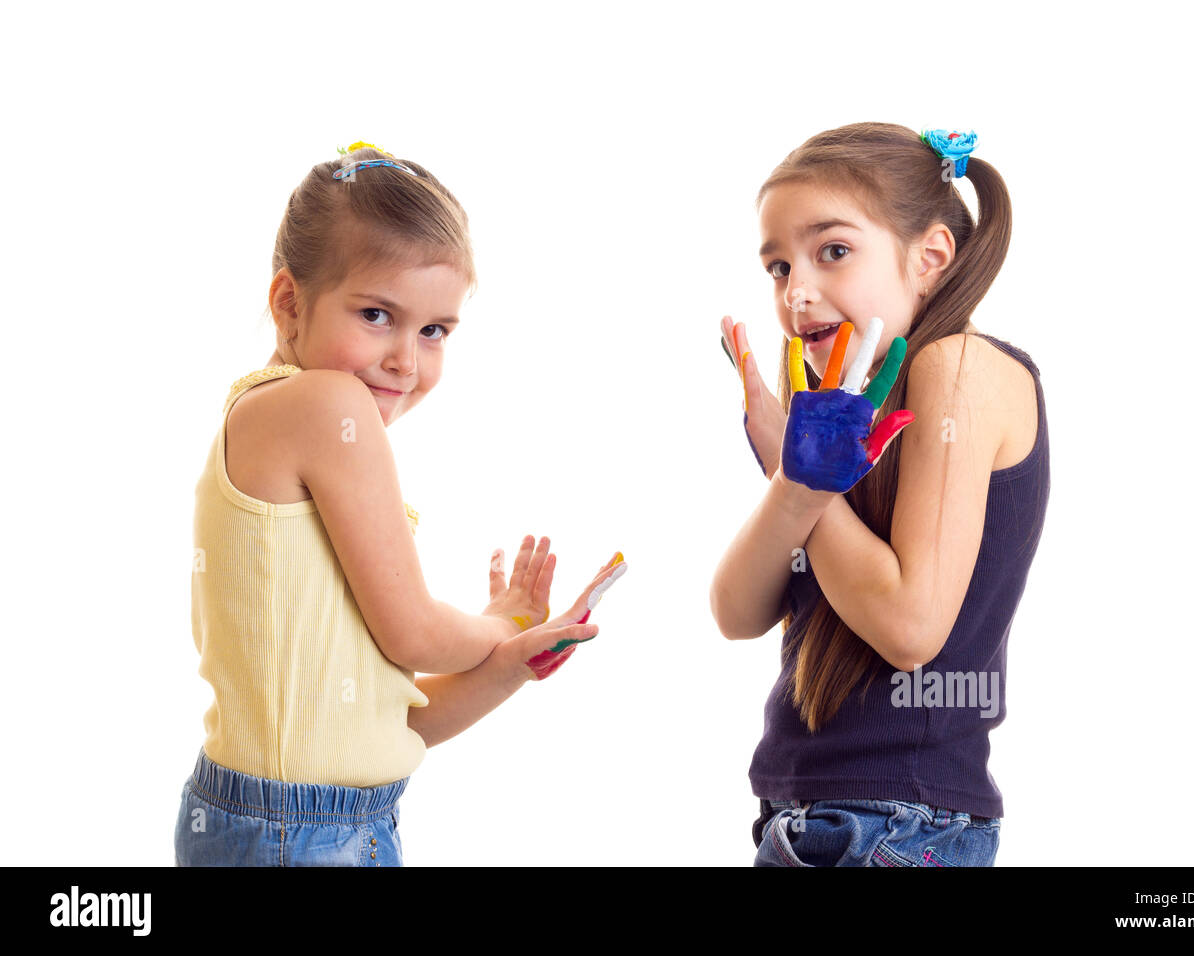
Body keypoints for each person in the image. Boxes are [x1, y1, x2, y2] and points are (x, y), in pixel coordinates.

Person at [175, 142, 626, 866]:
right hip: (298, 837)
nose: (407, 362)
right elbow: (413, 633)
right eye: (378, 314)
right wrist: (498, 620)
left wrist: (510, 660)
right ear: (289, 302)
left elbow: (396, 729)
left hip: (321, 823)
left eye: (434, 331)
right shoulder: (325, 405)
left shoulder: (296, 420)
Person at [712, 123, 1049, 867]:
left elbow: (910, 626)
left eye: (832, 251)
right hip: (815, 814)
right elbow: (737, 613)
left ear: (930, 258)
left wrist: (805, 484)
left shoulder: (958, 367)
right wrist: (791, 483)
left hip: (894, 825)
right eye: (777, 267)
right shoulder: (845, 411)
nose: (797, 292)